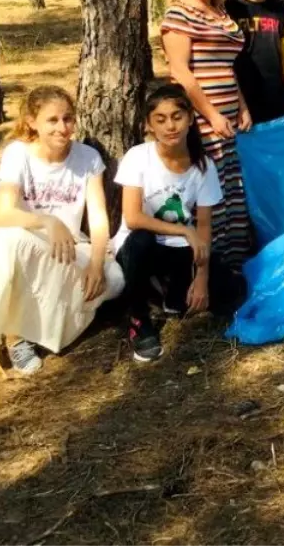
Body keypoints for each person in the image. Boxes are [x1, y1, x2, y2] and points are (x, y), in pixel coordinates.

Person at [0, 87, 124, 374]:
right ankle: (16, 337)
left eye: (68, 119)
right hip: (27, 244)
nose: (62, 128)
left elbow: (99, 217)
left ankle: (42, 327)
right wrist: (48, 222)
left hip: (70, 249)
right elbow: (3, 214)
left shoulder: (87, 157)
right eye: (52, 120)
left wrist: (95, 263)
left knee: (115, 279)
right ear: (32, 122)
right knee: (10, 238)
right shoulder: (18, 154)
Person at [161, 0, 253, 275]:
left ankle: (233, 265)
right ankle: (206, 272)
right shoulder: (178, 14)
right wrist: (211, 114)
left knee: (232, 190)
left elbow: (228, 68)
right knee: (208, 196)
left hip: (228, 118)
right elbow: (180, 71)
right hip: (201, 119)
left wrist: (241, 106)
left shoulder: (221, 13)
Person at [111, 84, 222, 362]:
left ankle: (169, 297)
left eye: (177, 116)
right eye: (160, 120)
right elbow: (133, 218)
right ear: (149, 125)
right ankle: (139, 320)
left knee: (232, 289)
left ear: (190, 118)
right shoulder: (138, 156)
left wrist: (202, 279)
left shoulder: (203, 165)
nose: (170, 126)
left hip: (179, 251)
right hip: (139, 247)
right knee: (140, 239)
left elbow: (205, 227)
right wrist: (185, 229)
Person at [227, 0, 284, 123]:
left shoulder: (279, 9)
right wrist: (241, 105)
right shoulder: (230, 8)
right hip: (242, 100)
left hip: (276, 97)